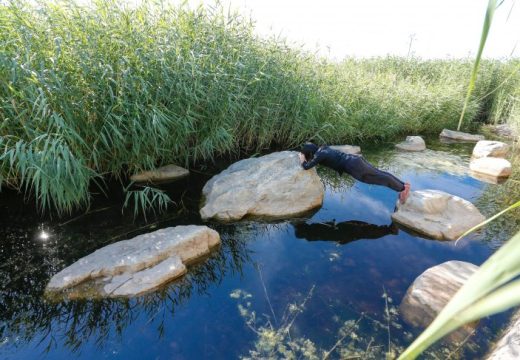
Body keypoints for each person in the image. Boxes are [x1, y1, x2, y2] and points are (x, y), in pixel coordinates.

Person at [299, 143, 410, 203]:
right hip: (355, 160)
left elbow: (306, 167)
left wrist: (302, 158)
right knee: (379, 173)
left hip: (352, 166)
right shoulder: (323, 148)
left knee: (377, 178)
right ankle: (403, 185)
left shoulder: (319, 155)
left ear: (310, 153)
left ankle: (402, 189)